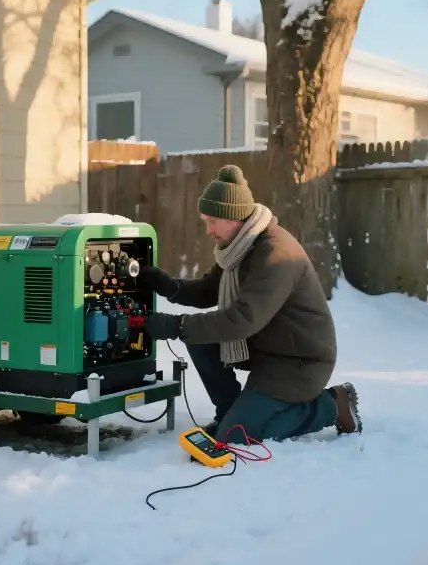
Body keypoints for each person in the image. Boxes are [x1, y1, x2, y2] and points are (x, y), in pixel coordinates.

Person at [141, 164, 361, 445]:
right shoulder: (241, 247)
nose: (208, 230)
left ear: (232, 218)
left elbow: (242, 319)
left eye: (211, 221)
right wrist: (168, 286)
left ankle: (332, 405)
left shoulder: (274, 254)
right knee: (200, 339)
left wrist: (175, 325)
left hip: (298, 362)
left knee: (235, 436)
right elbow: (211, 290)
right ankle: (230, 412)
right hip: (267, 349)